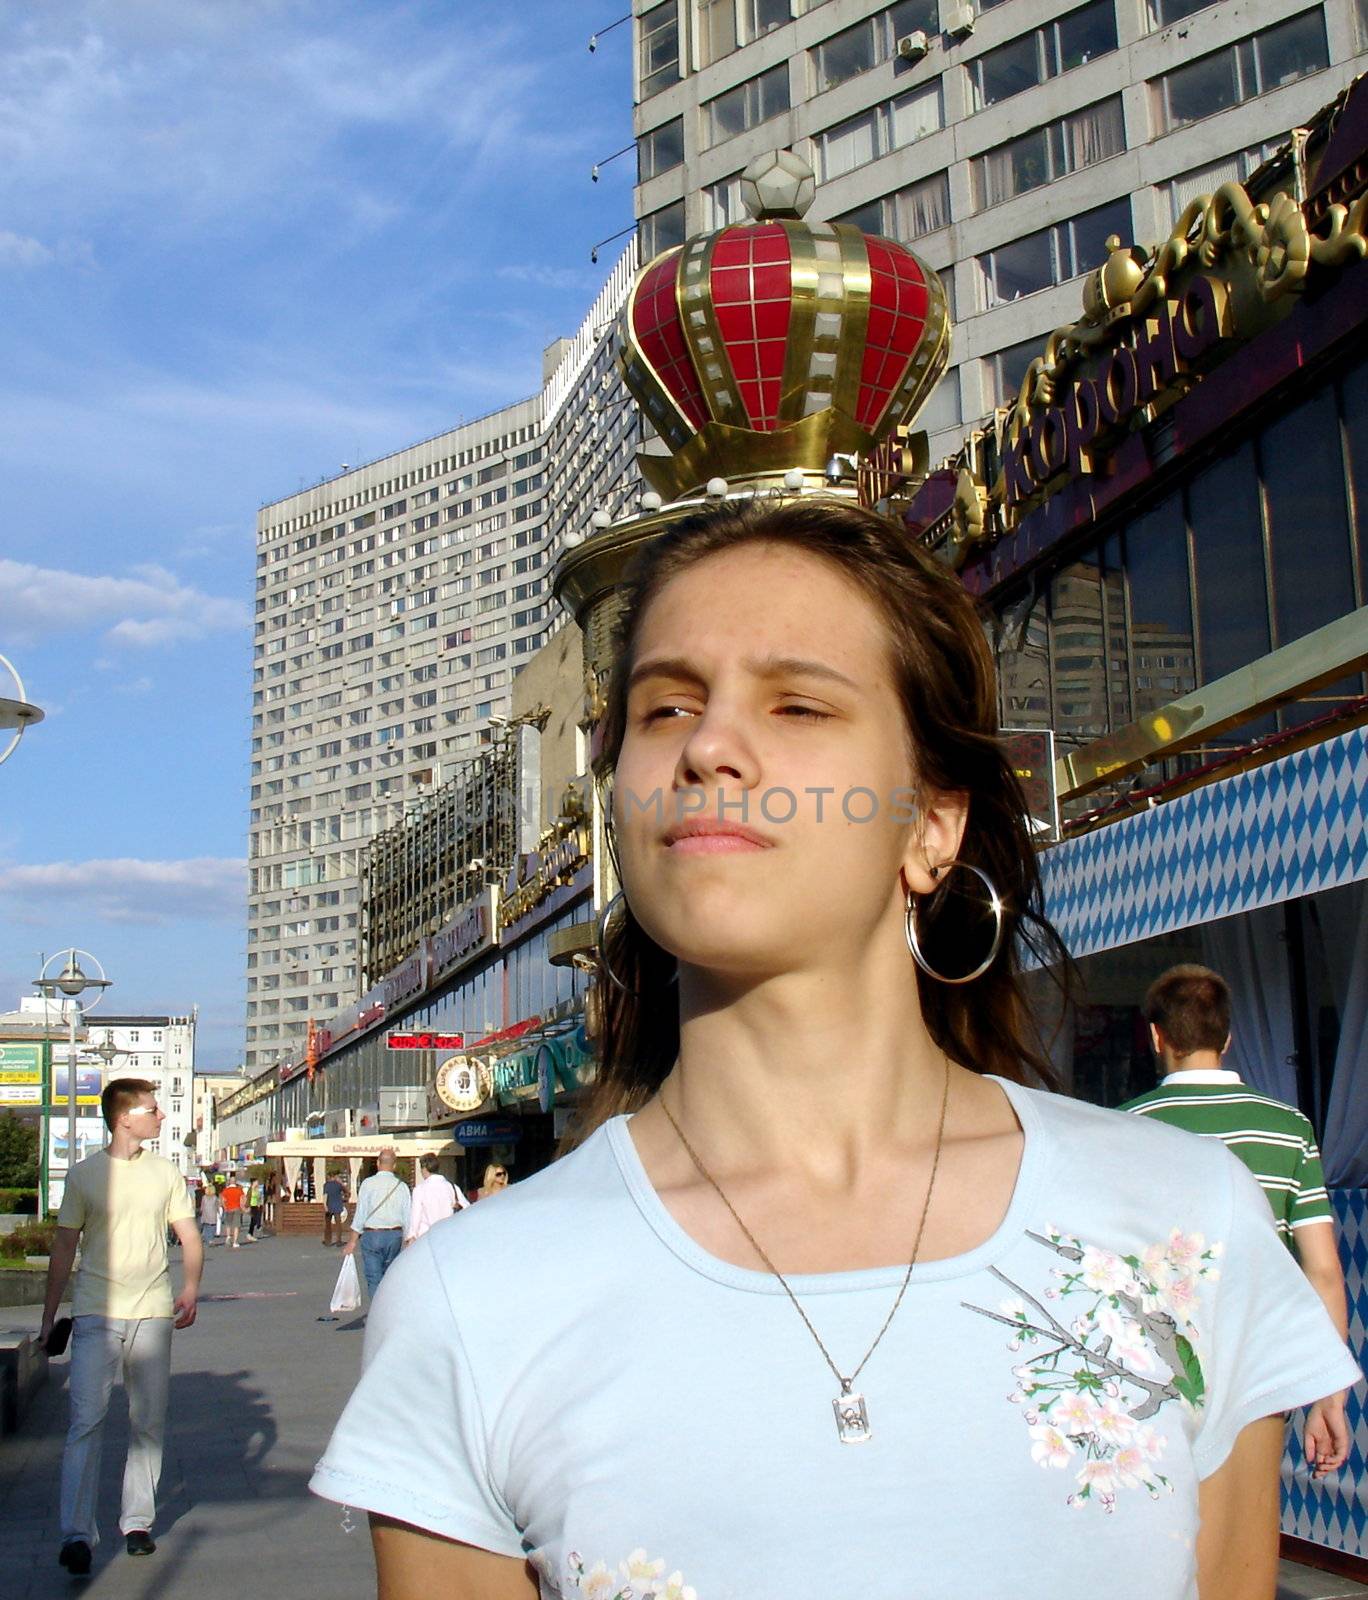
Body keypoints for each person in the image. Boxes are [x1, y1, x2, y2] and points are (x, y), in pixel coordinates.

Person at [311, 500, 1358, 1599]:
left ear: (931, 826)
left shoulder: (1187, 1220)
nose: (709, 747)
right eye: (664, 707)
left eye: (799, 702)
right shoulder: (471, 1302)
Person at [1120, 963, 1352, 1478]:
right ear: (1228, 1036)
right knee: (1245, 1536)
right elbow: (1323, 1271)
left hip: (1159, 1370)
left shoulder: (1125, 1129)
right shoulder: (1289, 1129)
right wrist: (1328, 1395)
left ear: (1156, 1036)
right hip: (1260, 1370)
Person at [40, 1078, 201, 1573]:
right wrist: (48, 1318)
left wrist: (191, 1285)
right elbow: (64, 1246)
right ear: (124, 1118)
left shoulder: (165, 1171)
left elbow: (188, 1235)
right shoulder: (85, 1175)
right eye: (154, 1110)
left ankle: (137, 1523)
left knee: (147, 1423)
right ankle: (76, 1536)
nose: (162, 1116)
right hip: (96, 1311)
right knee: (85, 1422)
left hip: (153, 1310)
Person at [343, 1149, 410, 1298]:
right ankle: (389, 1312)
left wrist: (352, 1242)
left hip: (372, 1234)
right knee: (390, 1278)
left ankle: (376, 1314)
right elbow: (407, 1216)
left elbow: (361, 1214)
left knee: (374, 1279)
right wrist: (407, 1240)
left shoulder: (368, 1184)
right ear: (394, 1165)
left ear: (378, 1163)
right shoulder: (402, 1186)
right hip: (395, 1235)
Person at [405, 1154, 464, 1247]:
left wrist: (411, 1236)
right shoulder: (453, 1187)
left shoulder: (420, 1189)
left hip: (426, 1238)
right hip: (449, 1237)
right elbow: (466, 1209)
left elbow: (416, 1215)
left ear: (424, 1169)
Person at [323, 1171, 348, 1247]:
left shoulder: (326, 1185)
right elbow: (346, 1192)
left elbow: (325, 1196)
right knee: (338, 1225)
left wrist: (325, 1206)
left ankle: (328, 1241)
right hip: (337, 1206)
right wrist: (341, 1183)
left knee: (328, 1225)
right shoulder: (338, 1185)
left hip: (329, 1206)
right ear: (335, 1177)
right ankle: (338, 1241)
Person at [220, 1174, 245, 1249]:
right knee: (236, 1226)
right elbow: (242, 1200)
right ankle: (235, 1242)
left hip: (228, 1209)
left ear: (229, 1182)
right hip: (236, 1208)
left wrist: (225, 1207)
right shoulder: (239, 1190)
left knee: (228, 1224)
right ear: (235, 1182)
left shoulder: (226, 1190)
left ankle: (228, 1236)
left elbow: (223, 1200)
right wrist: (243, 1208)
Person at [198, 1183, 220, 1247]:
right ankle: (211, 1240)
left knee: (206, 1227)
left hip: (205, 1214)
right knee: (212, 1227)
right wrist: (219, 1212)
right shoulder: (215, 1198)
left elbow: (202, 1207)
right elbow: (218, 1206)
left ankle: (207, 1239)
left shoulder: (204, 1197)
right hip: (213, 1214)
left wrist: (201, 1211)